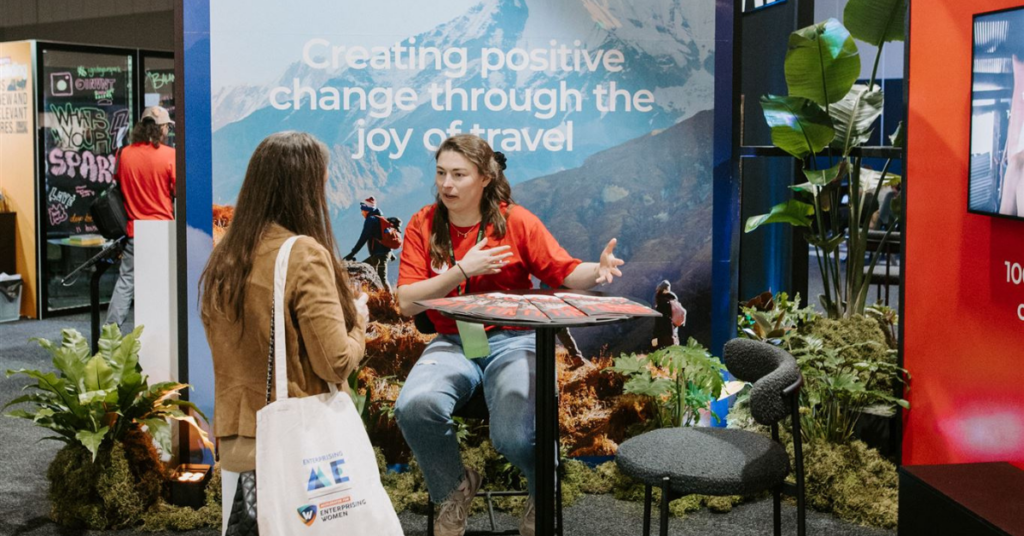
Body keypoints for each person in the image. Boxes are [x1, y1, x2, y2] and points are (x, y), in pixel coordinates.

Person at [393, 134, 625, 536]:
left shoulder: (516, 221)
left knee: (516, 436)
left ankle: (543, 492)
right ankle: (454, 488)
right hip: (454, 342)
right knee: (414, 406)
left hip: (515, 339)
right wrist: (462, 270)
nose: (447, 184)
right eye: (441, 173)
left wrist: (597, 270)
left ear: (484, 178)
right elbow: (407, 303)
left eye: (459, 175)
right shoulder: (423, 223)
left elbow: (564, 271)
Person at [198, 131, 370, 534]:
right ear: (306, 188)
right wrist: (359, 320)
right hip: (299, 446)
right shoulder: (304, 254)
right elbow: (335, 362)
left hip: (243, 439)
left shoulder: (226, 256)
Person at [105, 106, 176, 329]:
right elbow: (177, 191)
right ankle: (158, 337)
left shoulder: (124, 154)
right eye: (166, 127)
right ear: (162, 128)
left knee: (126, 283)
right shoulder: (170, 156)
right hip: (163, 231)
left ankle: (110, 337)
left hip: (135, 231)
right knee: (163, 286)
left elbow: (116, 184)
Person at [344, 196, 395, 290]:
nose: (361, 212)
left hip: (379, 255)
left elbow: (363, 238)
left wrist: (352, 253)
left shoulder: (370, 220)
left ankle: (390, 301)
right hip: (382, 254)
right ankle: (379, 296)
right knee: (374, 274)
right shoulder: (379, 218)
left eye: (362, 210)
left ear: (366, 209)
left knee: (379, 277)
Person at [652, 280, 681, 349]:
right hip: (673, 332)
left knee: (663, 356)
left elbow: (659, 322)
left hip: (664, 334)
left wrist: (655, 336)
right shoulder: (673, 300)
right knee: (673, 355)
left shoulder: (662, 303)